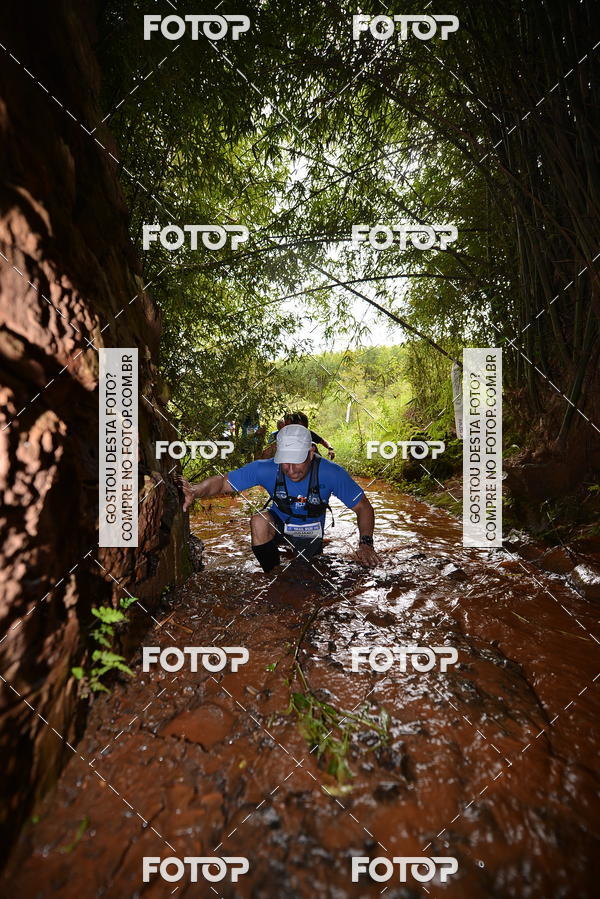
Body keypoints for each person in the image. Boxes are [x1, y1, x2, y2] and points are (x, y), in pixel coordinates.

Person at [176, 424, 379, 573]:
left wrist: (366, 544)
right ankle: (272, 575)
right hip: (279, 525)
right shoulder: (266, 468)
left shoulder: (332, 473)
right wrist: (195, 491)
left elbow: (363, 507)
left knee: (309, 574)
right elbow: (222, 483)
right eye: (285, 463)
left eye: (296, 462)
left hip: (312, 533)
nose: (291, 470)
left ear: (310, 453)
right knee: (259, 521)